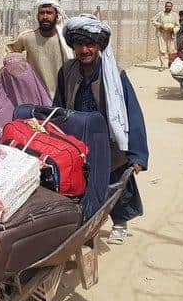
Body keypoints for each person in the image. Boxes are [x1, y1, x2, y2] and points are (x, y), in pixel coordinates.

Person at [54, 14, 148, 245]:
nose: (84, 49)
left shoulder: (114, 74)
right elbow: (58, 105)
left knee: (117, 181)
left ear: (99, 46)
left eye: (90, 44)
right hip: (78, 139)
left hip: (108, 140)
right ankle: (85, 223)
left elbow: (131, 112)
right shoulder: (67, 71)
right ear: (72, 45)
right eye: (79, 44)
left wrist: (137, 155)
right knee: (81, 184)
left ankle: (120, 223)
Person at [6, 0, 74, 94]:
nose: (45, 17)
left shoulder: (65, 39)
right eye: (42, 13)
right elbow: (10, 51)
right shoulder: (27, 37)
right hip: (35, 93)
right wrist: (18, 67)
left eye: (49, 13)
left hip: (61, 94)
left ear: (57, 16)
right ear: (37, 16)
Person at [151, 1, 180, 71]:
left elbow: (178, 26)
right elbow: (153, 20)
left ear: (171, 7)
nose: (168, 7)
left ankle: (171, 64)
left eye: (169, 6)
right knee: (162, 50)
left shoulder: (175, 15)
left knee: (171, 50)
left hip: (170, 35)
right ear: (165, 6)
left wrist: (173, 29)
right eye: (167, 6)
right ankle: (162, 65)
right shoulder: (161, 14)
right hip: (162, 34)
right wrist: (160, 26)